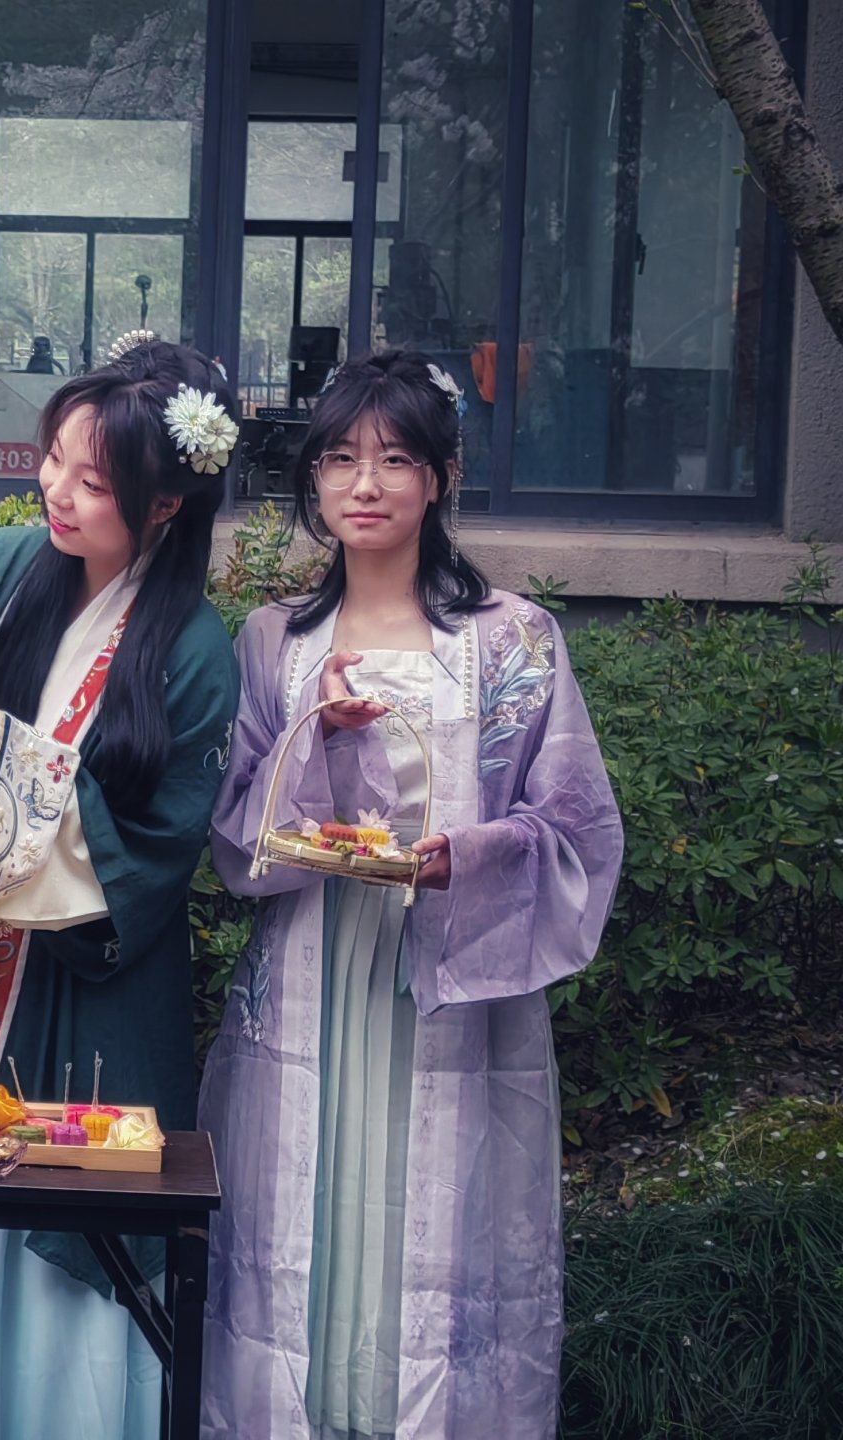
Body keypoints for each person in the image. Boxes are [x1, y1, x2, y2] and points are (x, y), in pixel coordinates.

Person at [199, 349, 622, 1439]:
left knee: (440, 1224)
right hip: (310, 968)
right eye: (340, 458)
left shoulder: (511, 639)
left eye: (394, 459)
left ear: (440, 477)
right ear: (313, 480)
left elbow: (575, 829)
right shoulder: (276, 640)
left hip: (453, 974)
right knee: (302, 1214)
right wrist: (317, 738)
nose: (365, 483)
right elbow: (237, 828)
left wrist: (461, 857)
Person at [0, 334, 241, 1438]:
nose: (58, 492)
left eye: (96, 480)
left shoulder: (193, 650)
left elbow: (159, 853)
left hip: (79, 987)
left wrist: (10, 767)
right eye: (55, 461)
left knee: (53, 1236)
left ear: (167, 503)